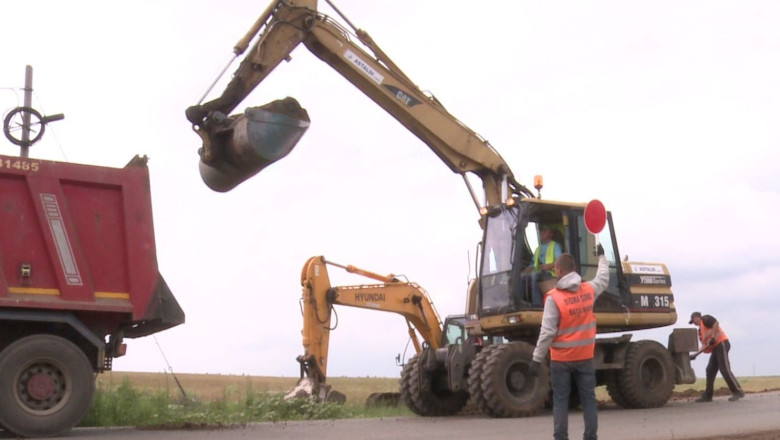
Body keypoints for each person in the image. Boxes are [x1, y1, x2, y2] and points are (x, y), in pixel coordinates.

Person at [529, 244, 609, 440]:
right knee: (589, 400)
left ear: (560, 270)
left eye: (556, 269)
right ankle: (591, 437)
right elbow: (603, 278)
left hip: (561, 360)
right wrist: (602, 257)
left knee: (561, 402)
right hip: (585, 357)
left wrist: (536, 359)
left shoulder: (553, 299)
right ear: (574, 269)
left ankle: (561, 438)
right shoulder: (589, 290)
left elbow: (547, 332)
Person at [689, 311, 745, 402]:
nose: (694, 323)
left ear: (696, 318)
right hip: (716, 348)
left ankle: (738, 391)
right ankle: (708, 395)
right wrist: (695, 355)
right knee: (710, 370)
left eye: (693, 321)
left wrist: (713, 337)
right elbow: (705, 345)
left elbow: (716, 323)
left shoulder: (705, 319)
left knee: (724, 369)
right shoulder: (701, 331)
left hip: (721, 344)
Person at [527, 224, 563, 306]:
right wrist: (526, 269)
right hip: (540, 272)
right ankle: (522, 303)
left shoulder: (555, 246)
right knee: (522, 278)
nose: (542, 233)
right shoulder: (538, 249)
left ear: (551, 234)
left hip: (551, 274)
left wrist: (548, 266)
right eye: (541, 231)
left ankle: (537, 305)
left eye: (545, 231)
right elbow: (533, 264)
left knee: (534, 276)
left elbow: (560, 261)